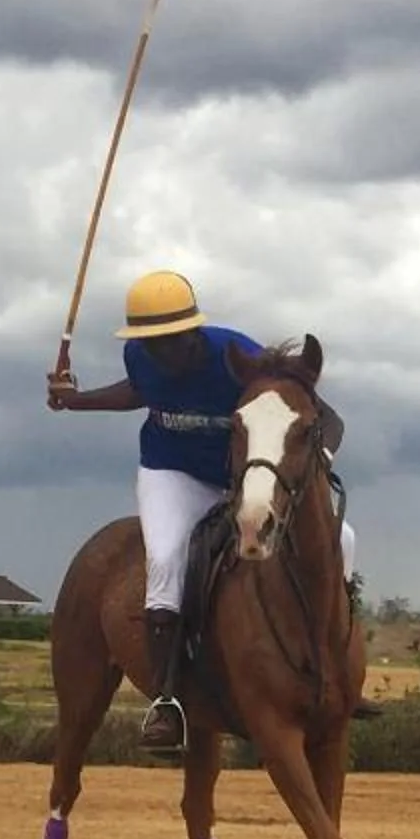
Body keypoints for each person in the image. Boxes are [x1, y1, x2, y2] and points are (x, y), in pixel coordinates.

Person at [45, 269, 265, 752]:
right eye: (151, 342)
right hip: (172, 474)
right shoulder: (141, 355)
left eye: (170, 341)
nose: (161, 352)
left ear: (193, 332)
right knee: (165, 559)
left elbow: (287, 403)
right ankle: (168, 701)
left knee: (340, 539)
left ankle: (332, 670)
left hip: (238, 480)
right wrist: (76, 401)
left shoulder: (239, 355)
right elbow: (137, 391)